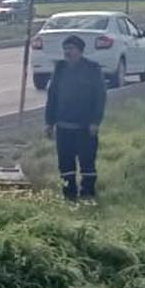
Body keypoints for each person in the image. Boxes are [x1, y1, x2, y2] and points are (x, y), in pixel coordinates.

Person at [44, 34, 108, 202]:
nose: (67, 52)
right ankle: (69, 194)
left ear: (80, 51)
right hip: (64, 126)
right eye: (65, 49)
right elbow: (52, 96)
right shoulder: (60, 69)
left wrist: (95, 121)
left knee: (87, 162)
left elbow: (100, 96)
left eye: (71, 49)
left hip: (85, 127)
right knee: (65, 164)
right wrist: (49, 123)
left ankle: (87, 194)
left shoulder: (92, 68)